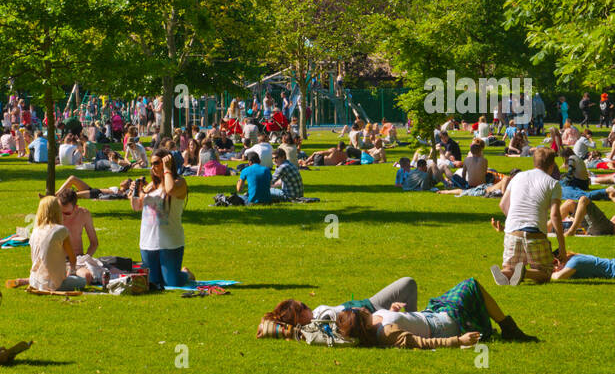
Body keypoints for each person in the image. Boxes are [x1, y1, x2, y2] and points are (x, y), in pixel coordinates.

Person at [256, 276, 536, 347]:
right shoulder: (386, 332)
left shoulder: (377, 321)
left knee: (415, 287)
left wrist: (389, 309)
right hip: (445, 322)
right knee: (471, 285)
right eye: (303, 308)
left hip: (428, 313)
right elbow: (420, 344)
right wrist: (458, 342)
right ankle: (508, 328)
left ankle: (506, 327)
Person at [491, 147, 566, 285]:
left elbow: (502, 204)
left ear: (534, 162)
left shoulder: (518, 177)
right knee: (546, 273)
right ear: (552, 166)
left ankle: (506, 273)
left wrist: (513, 222)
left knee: (509, 266)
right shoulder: (553, 183)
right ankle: (525, 272)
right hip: (535, 234)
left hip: (513, 233)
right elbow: (555, 215)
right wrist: (562, 246)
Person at [130, 153, 188, 288]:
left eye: (156, 163)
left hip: (170, 243)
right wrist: (134, 191)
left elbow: (170, 189)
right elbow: (136, 207)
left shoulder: (180, 183)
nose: (153, 167)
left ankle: (185, 273)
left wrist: (167, 170)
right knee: (153, 284)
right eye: (151, 164)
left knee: (172, 284)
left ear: (166, 162)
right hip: (148, 243)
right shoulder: (151, 186)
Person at [27, 195, 86, 292]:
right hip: (53, 284)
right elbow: (72, 258)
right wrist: (72, 272)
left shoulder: (35, 231)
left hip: (34, 281)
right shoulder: (61, 230)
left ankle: (25, 281)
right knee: (82, 281)